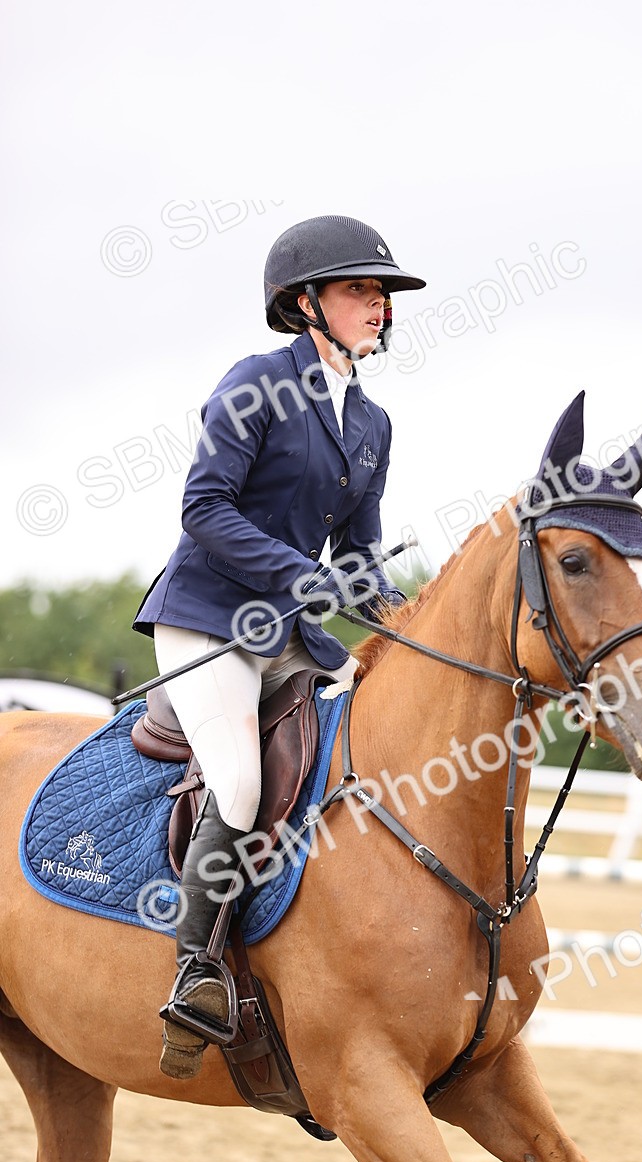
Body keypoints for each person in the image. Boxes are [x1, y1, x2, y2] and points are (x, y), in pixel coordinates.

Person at [133, 215, 426, 1079]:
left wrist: (410, 624)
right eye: (356, 291)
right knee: (240, 778)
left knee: (371, 734)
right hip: (211, 620)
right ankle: (198, 970)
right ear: (306, 304)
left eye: (380, 293)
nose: (375, 305)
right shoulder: (258, 383)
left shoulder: (371, 422)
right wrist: (307, 579)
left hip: (292, 636)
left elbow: (364, 561)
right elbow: (205, 509)